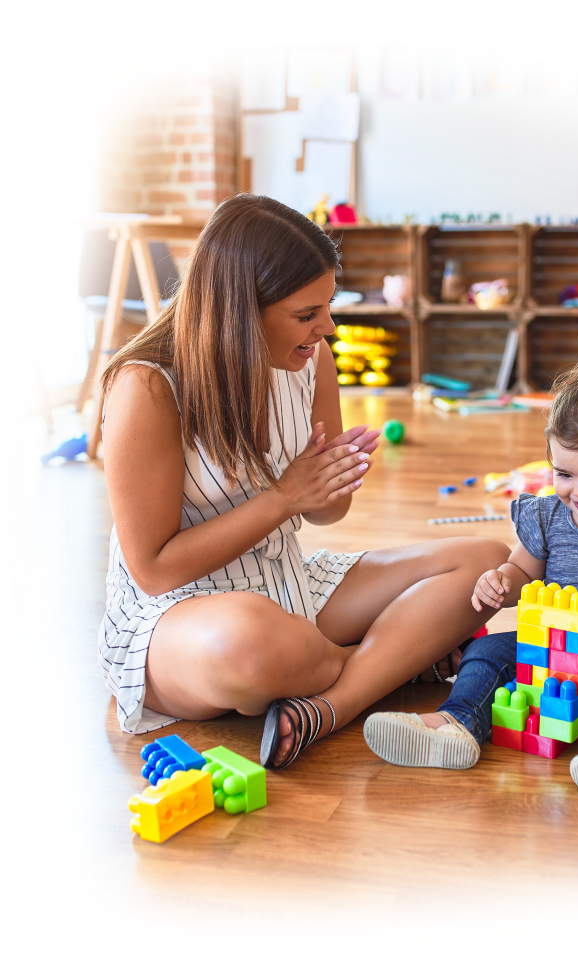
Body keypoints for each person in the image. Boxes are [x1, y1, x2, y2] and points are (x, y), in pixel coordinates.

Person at [97, 194, 508, 769]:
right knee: (248, 643)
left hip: (287, 589)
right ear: (242, 311)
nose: (328, 327)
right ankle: (395, 657)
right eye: (307, 313)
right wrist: (285, 496)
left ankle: (331, 705)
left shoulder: (312, 362)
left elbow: (323, 517)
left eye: (327, 306)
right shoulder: (146, 389)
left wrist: (331, 486)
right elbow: (155, 569)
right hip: (179, 622)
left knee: (486, 562)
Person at [364, 351, 578, 814]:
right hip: (546, 655)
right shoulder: (548, 515)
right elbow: (522, 571)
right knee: (485, 652)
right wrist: (500, 582)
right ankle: (455, 725)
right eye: (564, 474)